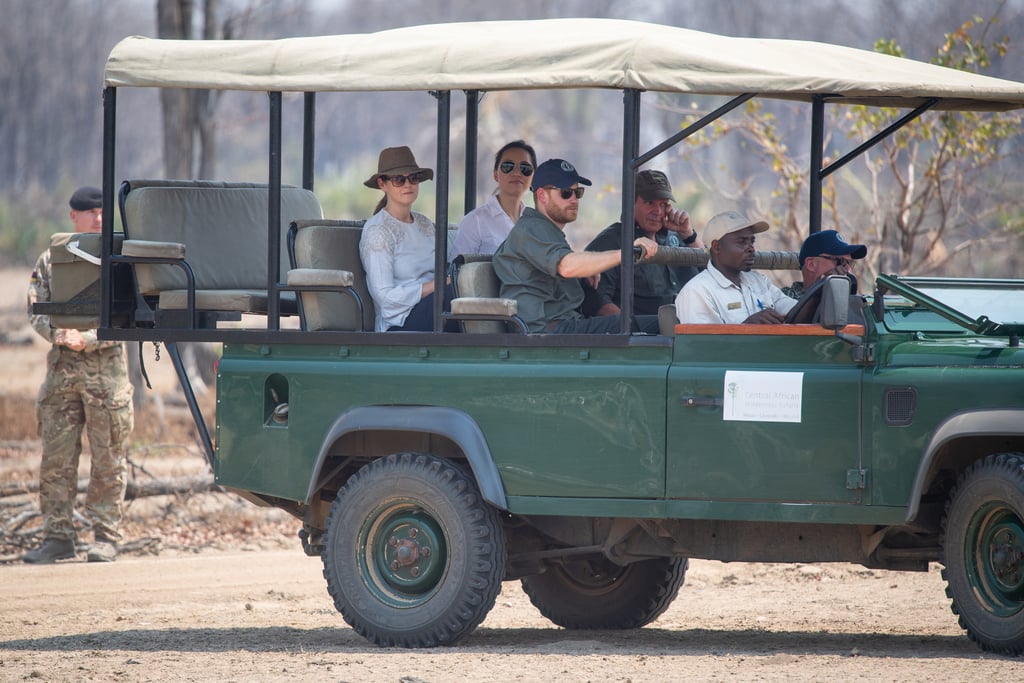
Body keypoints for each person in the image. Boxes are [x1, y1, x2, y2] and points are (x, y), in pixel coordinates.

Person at [24, 186, 134, 563]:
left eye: (103, 212)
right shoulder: (52, 260)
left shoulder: (117, 260)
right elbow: (35, 306)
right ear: (74, 216)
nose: (98, 219)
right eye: (90, 213)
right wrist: (58, 335)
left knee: (108, 460)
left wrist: (86, 337)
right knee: (56, 460)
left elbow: (127, 316)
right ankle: (58, 537)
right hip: (62, 377)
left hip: (106, 379)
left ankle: (106, 536)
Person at [492, 158, 660, 334]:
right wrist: (627, 252)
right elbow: (565, 266)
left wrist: (584, 273)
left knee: (651, 324)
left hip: (564, 326)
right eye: (566, 193)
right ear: (542, 195)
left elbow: (565, 267)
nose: (574, 199)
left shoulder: (548, 232)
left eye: (577, 192)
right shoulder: (531, 228)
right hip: (545, 334)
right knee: (656, 325)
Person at [583, 169, 703, 316]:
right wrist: (638, 330)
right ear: (630, 203)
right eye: (649, 202)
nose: (658, 211)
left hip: (692, 327)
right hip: (647, 335)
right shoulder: (611, 242)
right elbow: (598, 304)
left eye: (664, 204)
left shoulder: (678, 237)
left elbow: (711, 272)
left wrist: (688, 235)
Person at [359, 146, 454, 332]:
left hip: (435, 306)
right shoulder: (377, 231)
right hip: (400, 321)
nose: (407, 185)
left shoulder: (425, 224)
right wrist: (439, 286)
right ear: (382, 184)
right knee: (454, 295)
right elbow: (385, 299)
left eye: (413, 178)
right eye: (398, 180)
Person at [675, 210, 797, 324]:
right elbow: (701, 345)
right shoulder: (698, 291)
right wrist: (747, 328)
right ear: (717, 247)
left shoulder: (759, 281)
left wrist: (815, 295)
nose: (751, 248)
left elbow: (795, 311)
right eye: (742, 242)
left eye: (751, 241)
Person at [449, 140, 537, 260]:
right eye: (508, 166)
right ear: (495, 174)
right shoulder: (476, 221)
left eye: (525, 168)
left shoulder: (536, 222)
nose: (517, 172)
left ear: (533, 176)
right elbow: (456, 271)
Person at [781, 229, 867, 299]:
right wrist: (820, 289)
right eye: (840, 261)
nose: (847, 268)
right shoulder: (784, 297)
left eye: (850, 262)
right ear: (811, 264)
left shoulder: (847, 299)